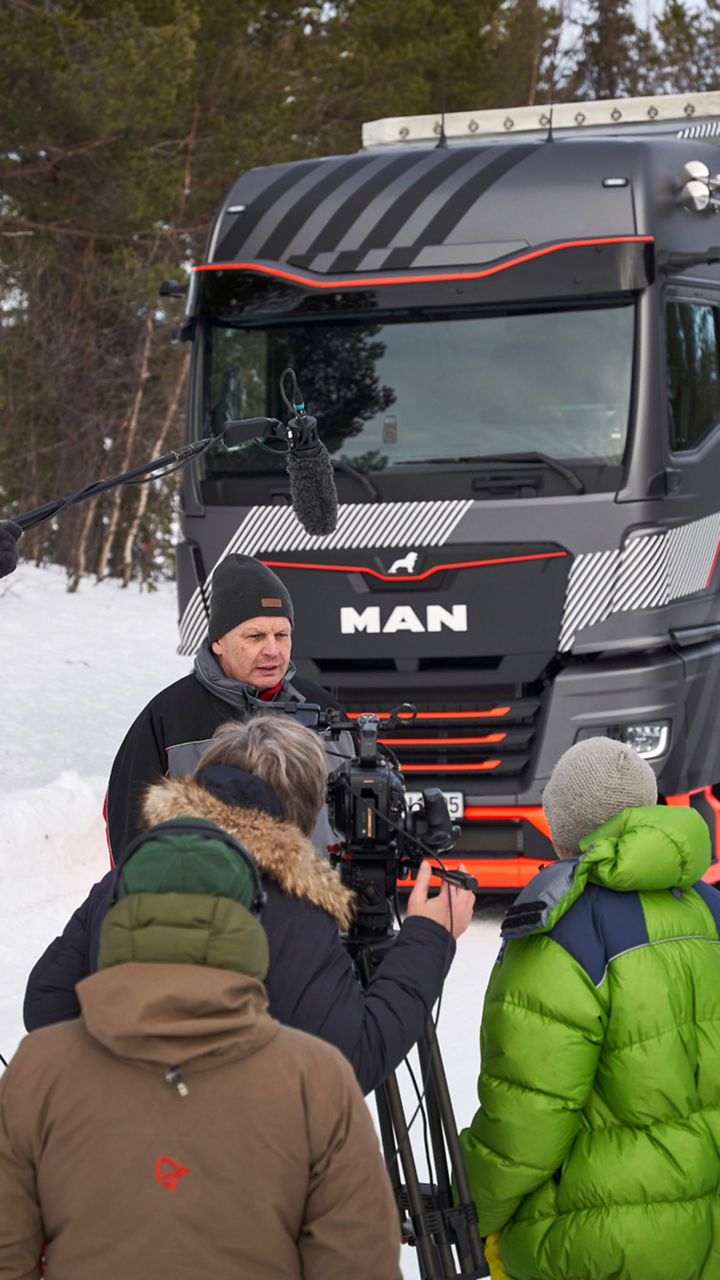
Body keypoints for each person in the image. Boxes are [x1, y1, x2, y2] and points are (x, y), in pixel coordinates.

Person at [1, 819, 403, 1279]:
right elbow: (358, 1266)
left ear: (117, 917)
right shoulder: (316, 1078)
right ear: (249, 923)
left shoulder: (39, 1070)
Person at [24, 713, 476, 1095]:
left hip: (120, 1165)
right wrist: (428, 939)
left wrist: (134, 1087)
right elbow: (348, 1065)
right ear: (304, 808)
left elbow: (45, 1005)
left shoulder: (127, 876)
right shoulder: (295, 908)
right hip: (240, 1179)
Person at [458, 736, 720, 1280]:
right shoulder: (712, 909)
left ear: (563, 829)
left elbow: (529, 1110)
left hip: (598, 1239)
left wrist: (471, 1211)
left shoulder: (561, 929)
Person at [105, 551, 353, 861]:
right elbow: (128, 831)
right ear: (218, 642)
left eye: (281, 634)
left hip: (319, 903)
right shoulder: (168, 719)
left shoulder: (324, 709)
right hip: (210, 907)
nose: (272, 650)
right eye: (255, 636)